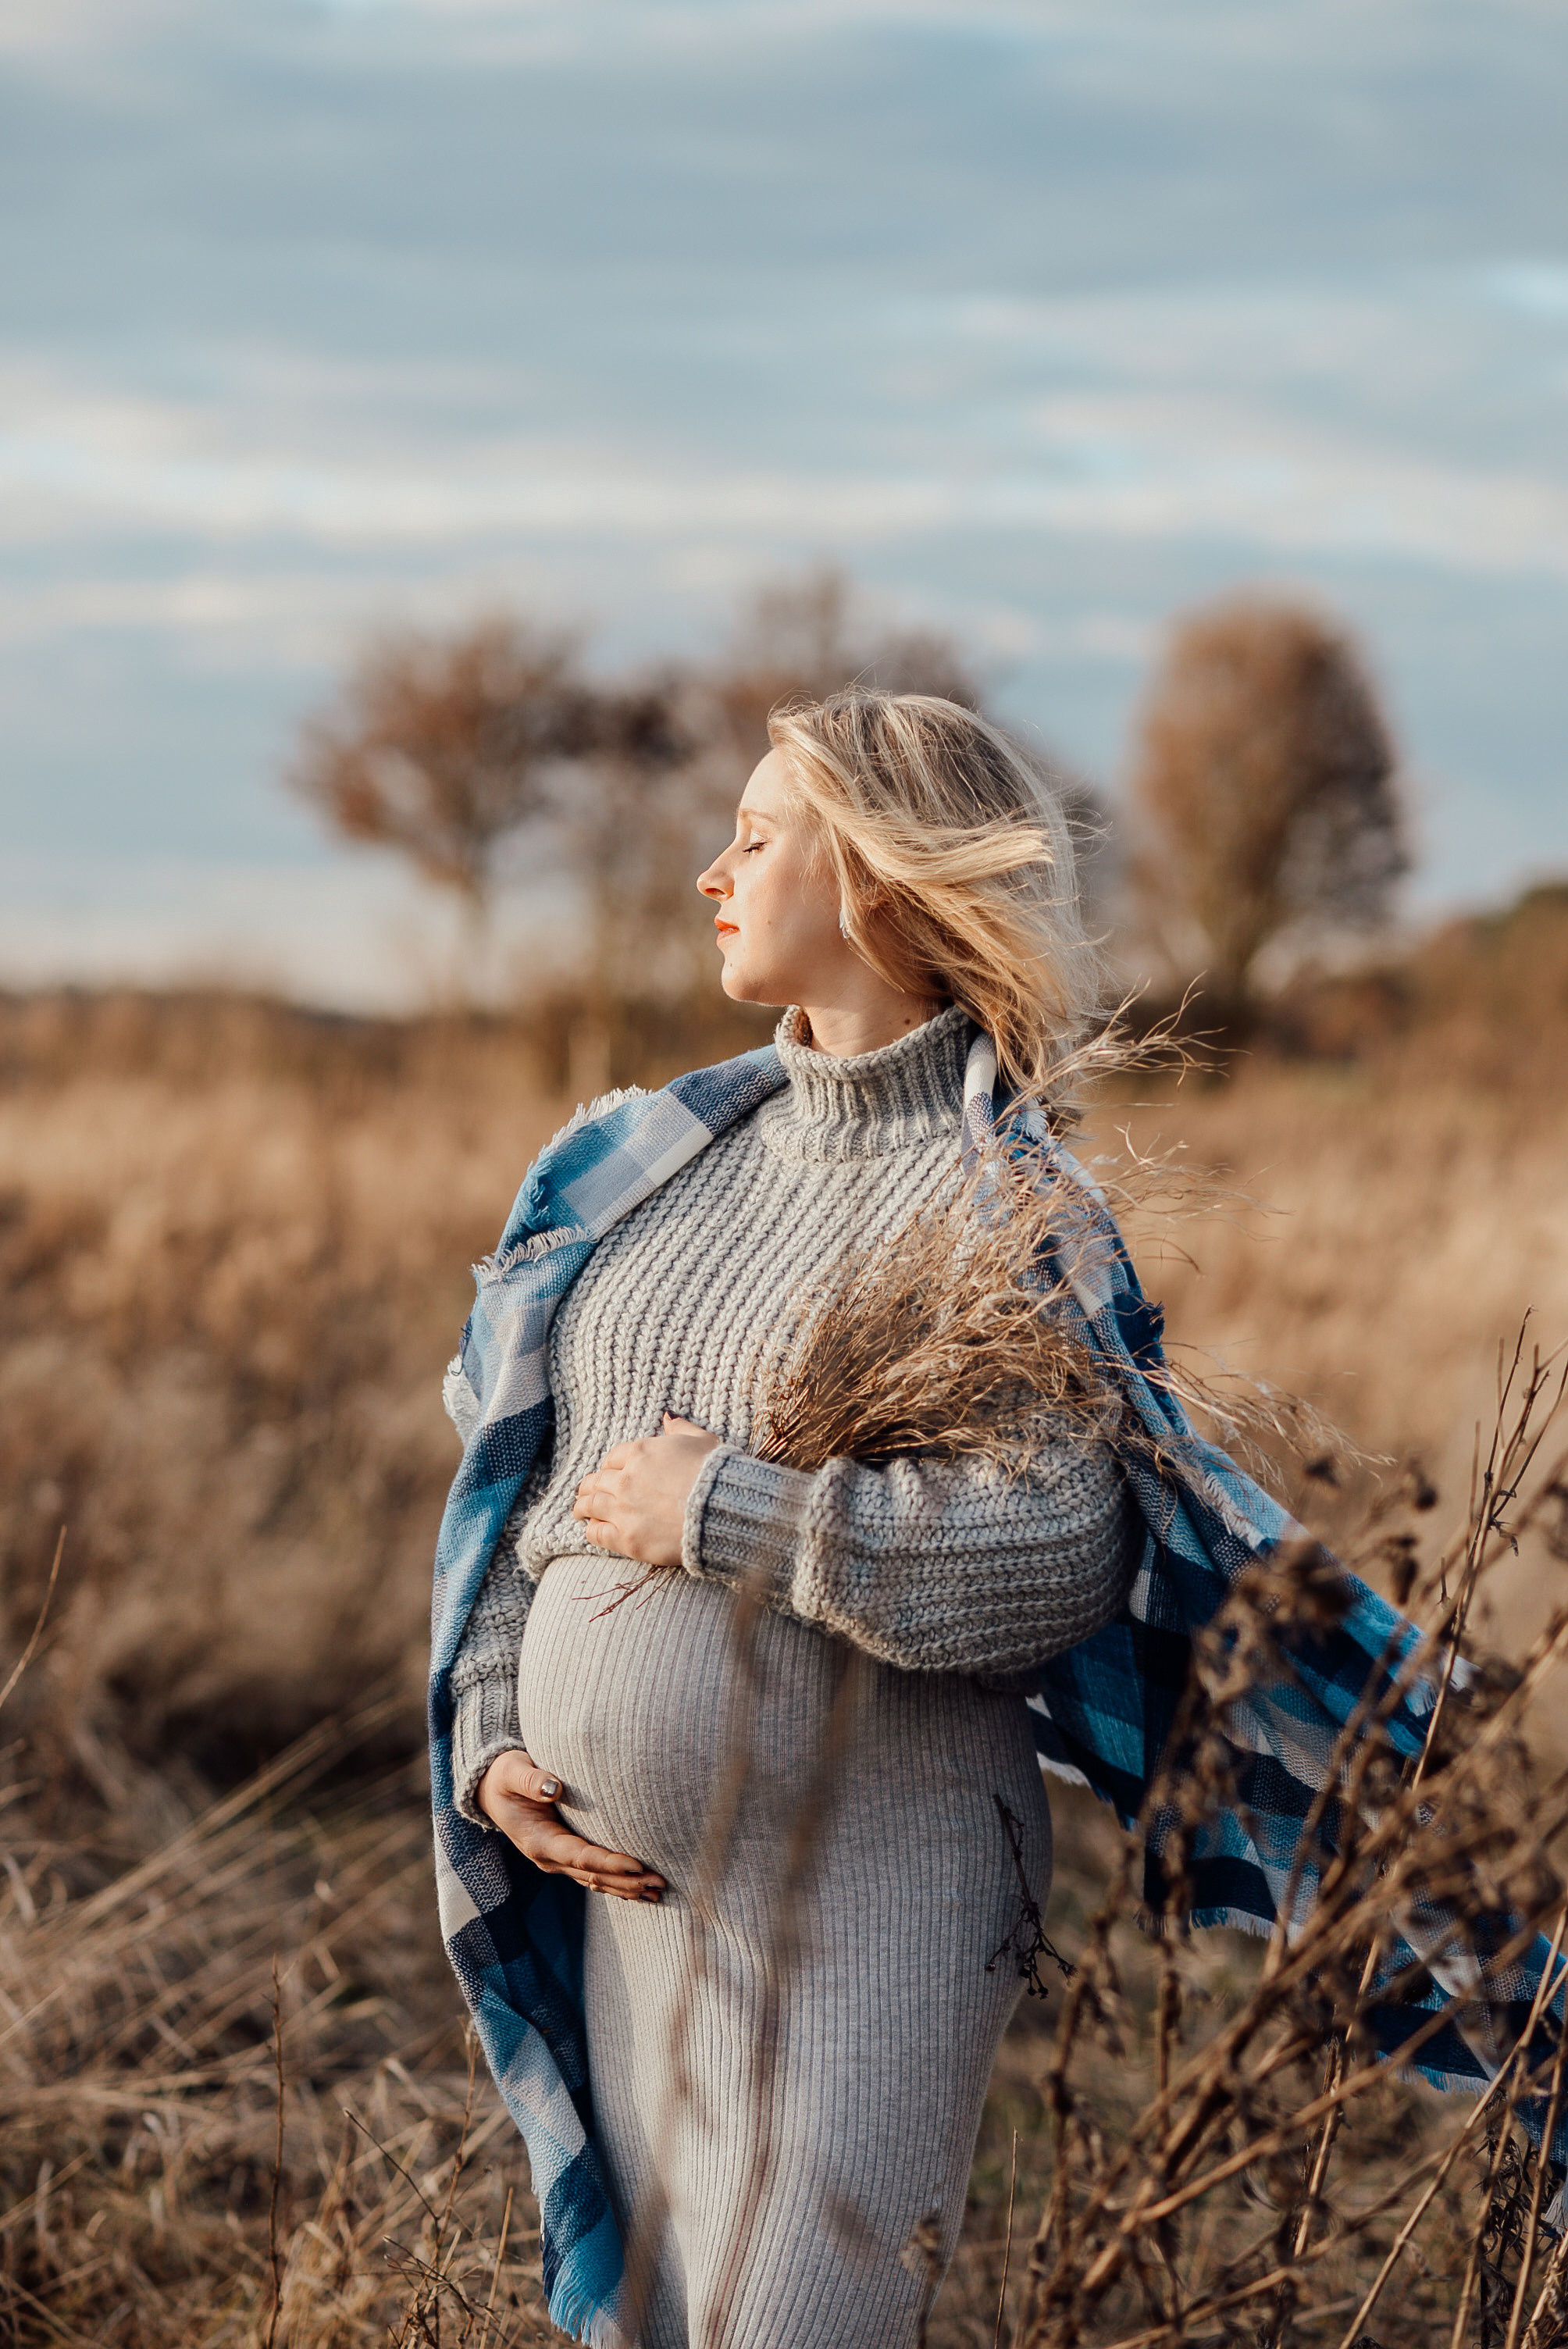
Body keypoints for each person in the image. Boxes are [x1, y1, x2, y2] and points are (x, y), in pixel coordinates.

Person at [444, 692, 1141, 2347]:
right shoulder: (651, 1166)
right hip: (634, 1898)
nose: (711, 869)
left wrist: (729, 1512)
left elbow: (1060, 1545)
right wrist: (490, 1725)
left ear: (885, 879)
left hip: (872, 1890)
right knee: (662, 2323)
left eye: (757, 834)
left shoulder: (999, 1198)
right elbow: (511, 1490)